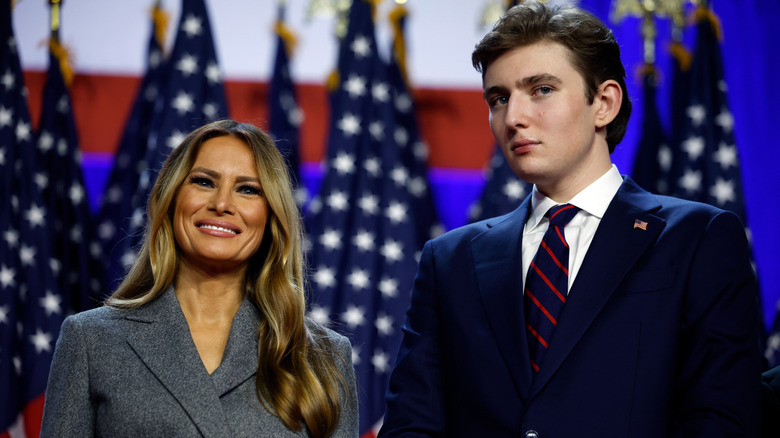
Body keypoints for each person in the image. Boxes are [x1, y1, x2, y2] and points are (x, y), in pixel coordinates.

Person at [379, 2, 761, 437]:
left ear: (604, 103)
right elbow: (412, 426)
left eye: (540, 89)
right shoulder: (448, 260)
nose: (514, 117)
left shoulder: (697, 239)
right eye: (499, 98)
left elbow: (721, 420)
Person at [40, 120, 359, 437]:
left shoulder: (323, 357)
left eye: (247, 189)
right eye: (204, 182)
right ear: (172, 198)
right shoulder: (90, 339)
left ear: (271, 216)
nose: (221, 204)